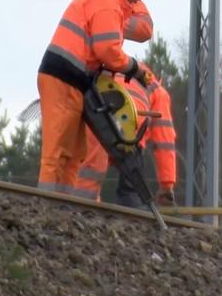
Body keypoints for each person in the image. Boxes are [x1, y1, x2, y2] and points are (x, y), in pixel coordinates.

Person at [37, 0, 155, 194]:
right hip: (62, 78)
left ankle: (63, 206)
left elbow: (143, 30)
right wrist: (134, 68)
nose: (136, 3)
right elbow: (107, 51)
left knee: (73, 153)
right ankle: (46, 205)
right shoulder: (107, 4)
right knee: (58, 150)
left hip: (73, 80)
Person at [74, 72, 177, 207]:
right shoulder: (158, 90)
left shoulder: (118, 72)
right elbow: (165, 141)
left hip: (98, 117)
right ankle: (131, 219)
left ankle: (81, 212)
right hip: (130, 130)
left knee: (89, 176)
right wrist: (167, 185)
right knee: (131, 187)